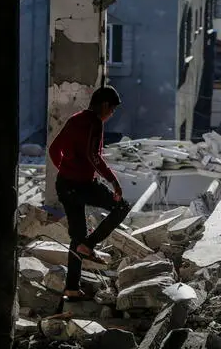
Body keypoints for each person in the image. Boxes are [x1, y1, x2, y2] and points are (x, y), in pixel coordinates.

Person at [48, 85, 131, 300]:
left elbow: (53, 149)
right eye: (112, 110)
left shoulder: (75, 118)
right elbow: (93, 156)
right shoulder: (94, 121)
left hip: (64, 184)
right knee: (121, 206)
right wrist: (114, 182)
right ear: (105, 105)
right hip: (82, 185)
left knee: (76, 236)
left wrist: (67, 168)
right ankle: (89, 245)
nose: (111, 115)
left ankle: (72, 289)